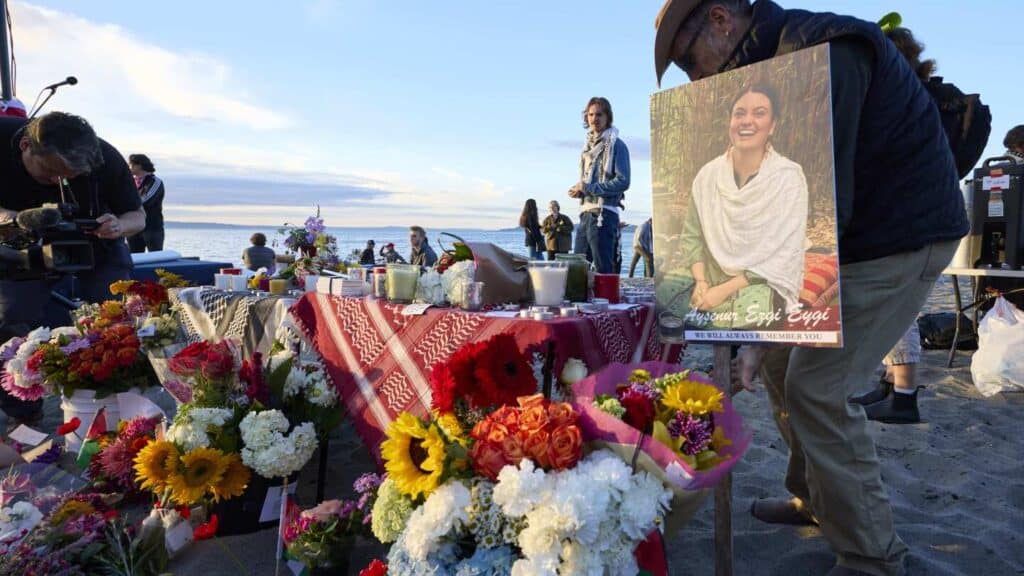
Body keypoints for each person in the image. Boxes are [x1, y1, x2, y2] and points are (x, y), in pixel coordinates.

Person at [654, 2, 967, 575]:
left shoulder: (823, 51)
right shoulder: (774, 68)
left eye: (687, 61)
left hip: (901, 236)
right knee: (778, 368)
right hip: (857, 236)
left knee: (819, 387)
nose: (695, 79)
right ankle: (817, 500)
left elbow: (822, 214)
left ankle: (872, 555)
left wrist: (760, 330)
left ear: (720, 20)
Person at [0, 111, 145, 424]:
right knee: (12, 318)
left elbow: (138, 215)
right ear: (26, 145)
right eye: (51, 172)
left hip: (96, 245)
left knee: (116, 320)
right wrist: (16, 219)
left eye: (69, 177)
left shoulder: (105, 157)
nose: (57, 182)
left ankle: (116, 401)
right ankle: (24, 408)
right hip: (22, 245)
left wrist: (119, 225)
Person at [680, 83, 807, 326]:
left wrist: (723, 290)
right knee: (671, 308)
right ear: (730, 122)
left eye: (759, 113)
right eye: (739, 113)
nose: (747, 121)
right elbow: (691, 236)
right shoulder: (708, 176)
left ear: (772, 125)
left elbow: (783, 253)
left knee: (750, 319)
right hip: (710, 276)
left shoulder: (788, 178)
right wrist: (701, 282)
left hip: (763, 280)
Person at [570, 97, 630, 274]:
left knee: (604, 270)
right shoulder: (586, 150)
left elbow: (623, 181)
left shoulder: (617, 145)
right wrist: (579, 191)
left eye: (599, 114)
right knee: (578, 268)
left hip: (604, 215)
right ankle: (582, 302)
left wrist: (589, 188)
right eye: (590, 114)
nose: (594, 118)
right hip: (585, 214)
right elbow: (589, 182)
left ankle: (607, 301)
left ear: (607, 117)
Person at [126, 154, 165, 253]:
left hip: (151, 228)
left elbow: (147, 199)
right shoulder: (130, 182)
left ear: (139, 165)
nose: (128, 167)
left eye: (130, 164)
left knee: (156, 258)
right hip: (133, 227)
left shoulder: (155, 182)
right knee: (134, 259)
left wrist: (127, 204)